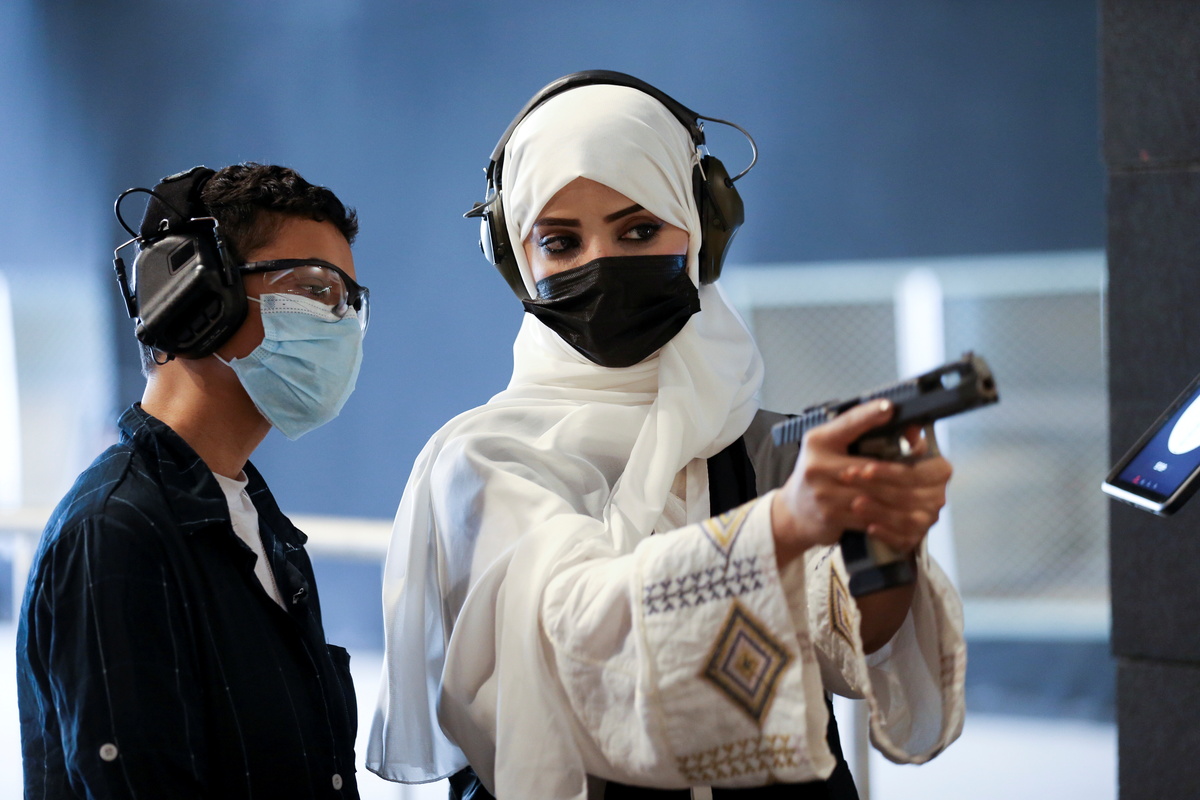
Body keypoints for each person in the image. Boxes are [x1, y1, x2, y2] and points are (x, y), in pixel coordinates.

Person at [368, 72, 965, 800]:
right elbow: (571, 639)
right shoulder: (482, 459)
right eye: (560, 241)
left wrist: (887, 541)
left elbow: (842, 642)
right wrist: (783, 527)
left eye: (640, 230)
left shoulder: (763, 444)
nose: (601, 263)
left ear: (702, 231)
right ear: (518, 263)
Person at [17, 163, 369, 799]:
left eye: (349, 301)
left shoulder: (256, 523)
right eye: (316, 289)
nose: (341, 323)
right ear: (200, 294)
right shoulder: (115, 531)